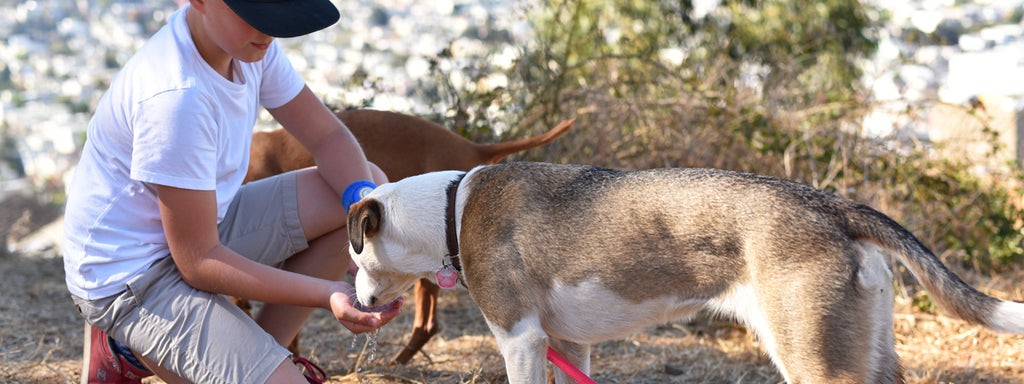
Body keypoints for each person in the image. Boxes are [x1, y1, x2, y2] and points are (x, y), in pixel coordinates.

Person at [62, 0, 404, 383]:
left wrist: (364, 229)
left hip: (198, 229)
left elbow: (327, 137)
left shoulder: (244, 47)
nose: (269, 32)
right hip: (132, 277)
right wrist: (328, 293)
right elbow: (199, 262)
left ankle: (264, 355)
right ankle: (124, 348)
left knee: (363, 194)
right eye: (257, 16)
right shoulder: (176, 98)